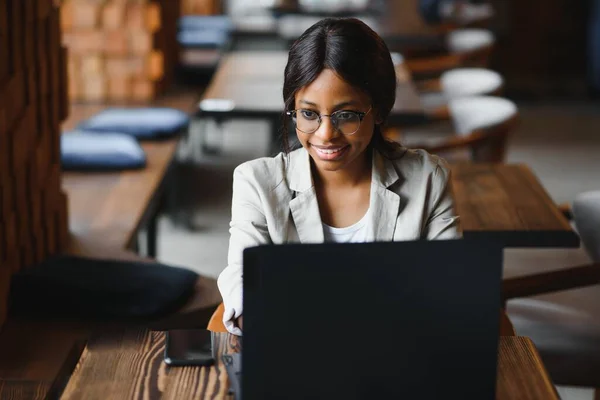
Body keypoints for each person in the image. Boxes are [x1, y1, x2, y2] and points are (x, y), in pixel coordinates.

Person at [217, 17, 462, 335]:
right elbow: (240, 277)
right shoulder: (257, 182)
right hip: (295, 355)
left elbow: (451, 288)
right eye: (308, 113)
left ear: (381, 110)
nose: (325, 134)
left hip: (399, 355)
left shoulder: (429, 178)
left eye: (347, 115)